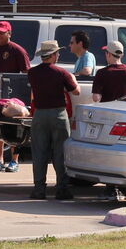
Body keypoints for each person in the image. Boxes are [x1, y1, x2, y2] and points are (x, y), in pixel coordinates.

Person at [26, 39, 81, 200]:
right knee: (60, 153)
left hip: (40, 114)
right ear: (53, 55)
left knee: (39, 153)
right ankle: (62, 189)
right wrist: (73, 79)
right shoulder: (62, 73)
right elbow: (76, 91)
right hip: (58, 114)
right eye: (57, 53)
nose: (58, 55)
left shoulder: (32, 73)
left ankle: (39, 189)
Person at [0, 22, 30, 172]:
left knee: (14, 128)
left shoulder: (17, 50)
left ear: (9, 34)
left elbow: (26, 75)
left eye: (2, 33)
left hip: (14, 97)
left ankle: (14, 161)